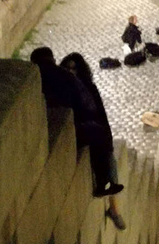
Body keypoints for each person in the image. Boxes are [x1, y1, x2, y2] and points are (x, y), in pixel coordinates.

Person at [30, 47, 121, 202]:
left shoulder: (36, 78)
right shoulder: (65, 78)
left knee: (101, 139)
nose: (71, 71)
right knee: (99, 135)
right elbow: (89, 107)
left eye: (74, 68)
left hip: (61, 125)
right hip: (70, 127)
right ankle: (103, 184)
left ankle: (107, 185)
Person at [59, 53, 126, 231]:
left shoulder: (89, 87)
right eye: (67, 68)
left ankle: (114, 208)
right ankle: (113, 208)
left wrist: (107, 135)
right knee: (104, 157)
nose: (71, 71)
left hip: (96, 130)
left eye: (74, 68)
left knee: (109, 157)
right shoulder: (66, 90)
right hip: (83, 133)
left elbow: (101, 114)